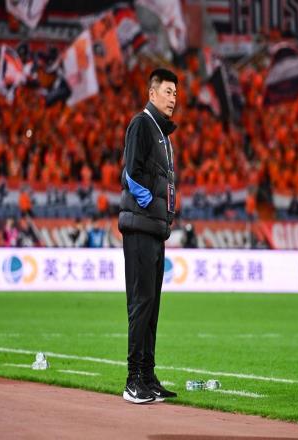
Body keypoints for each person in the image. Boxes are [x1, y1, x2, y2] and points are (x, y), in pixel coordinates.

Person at [118, 68, 178, 404]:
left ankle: (147, 375)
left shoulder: (163, 135)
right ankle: (132, 381)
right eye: (168, 91)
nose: (173, 99)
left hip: (155, 228)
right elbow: (132, 172)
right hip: (141, 226)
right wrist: (150, 205)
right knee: (141, 304)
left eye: (176, 94)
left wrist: (164, 212)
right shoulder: (142, 124)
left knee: (152, 307)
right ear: (152, 93)